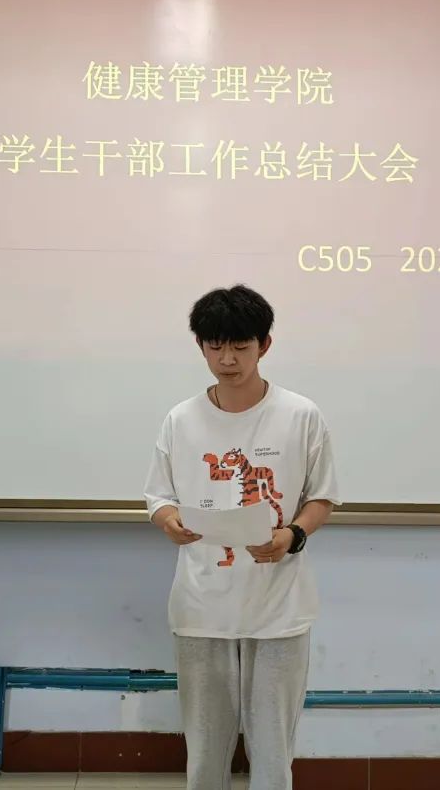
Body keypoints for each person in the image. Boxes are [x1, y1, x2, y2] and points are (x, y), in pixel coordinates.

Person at [143, 284, 341, 790]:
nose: (227, 359)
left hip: (278, 603)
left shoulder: (300, 415)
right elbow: (159, 496)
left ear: (264, 345)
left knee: (273, 746)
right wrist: (168, 521)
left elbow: (321, 498)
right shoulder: (181, 419)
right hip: (201, 601)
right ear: (201, 346)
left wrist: (292, 534)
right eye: (215, 346)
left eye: (240, 346)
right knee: (205, 746)